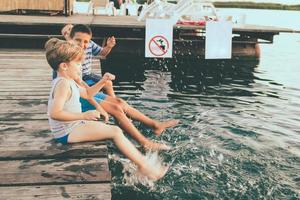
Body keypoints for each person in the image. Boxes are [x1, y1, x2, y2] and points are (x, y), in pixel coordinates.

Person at [45, 38, 168, 181]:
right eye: (78, 63)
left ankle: (138, 162)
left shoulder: (69, 81)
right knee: (115, 132)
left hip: (73, 127)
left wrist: (103, 81)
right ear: (64, 66)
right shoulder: (63, 84)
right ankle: (144, 167)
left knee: (112, 129)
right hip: (67, 132)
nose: (80, 67)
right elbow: (55, 113)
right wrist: (84, 116)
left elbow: (88, 93)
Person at [67, 24, 179, 150]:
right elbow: (80, 92)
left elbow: (82, 85)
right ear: (69, 39)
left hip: (83, 92)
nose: (82, 44)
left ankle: (155, 125)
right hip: (75, 100)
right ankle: (144, 143)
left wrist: (108, 48)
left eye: (85, 41)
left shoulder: (75, 57)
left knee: (119, 102)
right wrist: (99, 106)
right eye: (78, 40)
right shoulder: (67, 61)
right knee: (115, 108)